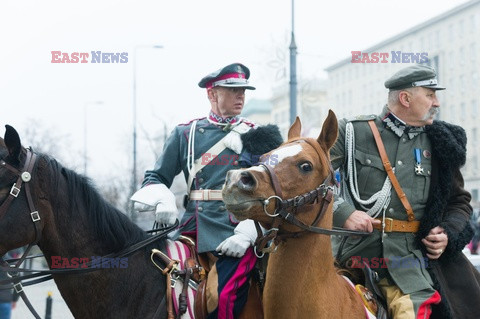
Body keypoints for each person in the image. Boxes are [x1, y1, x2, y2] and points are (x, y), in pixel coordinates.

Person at [131, 63, 282, 319]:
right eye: (233, 91)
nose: (241, 96)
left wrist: (248, 232)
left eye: (243, 91)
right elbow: (155, 177)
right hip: (192, 226)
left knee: (224, 296)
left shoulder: (258, 134)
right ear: (212, 94)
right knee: (150, 277)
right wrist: (163, 199)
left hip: (239, 228)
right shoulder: (185, 134)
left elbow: (277, 189)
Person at [330, 64, 480, 319]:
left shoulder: (441, 143)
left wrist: (447, 233)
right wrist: (343, 212)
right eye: (430, 95)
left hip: (408, 263)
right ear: (405, 98)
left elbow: (459, 202)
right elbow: (309, 180)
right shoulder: (352, 132)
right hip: (349, 256)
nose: (437, 103)